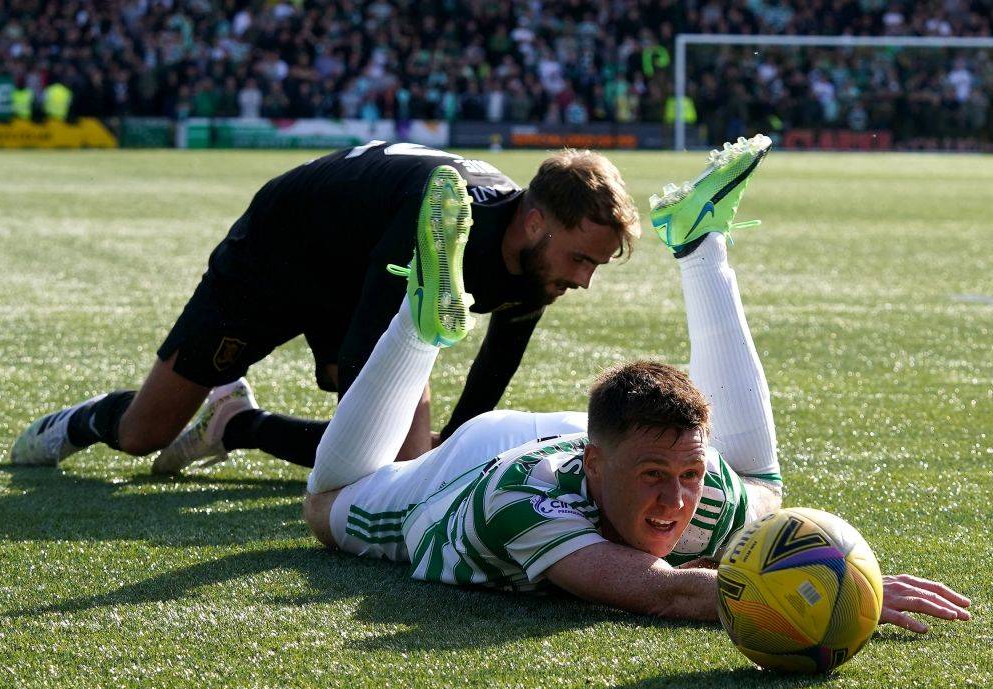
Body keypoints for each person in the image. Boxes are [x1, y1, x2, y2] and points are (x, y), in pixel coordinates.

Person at [301, 137, 971, 633]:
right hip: (474, 464)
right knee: (328, 508)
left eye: (688, 473)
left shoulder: (706, 492)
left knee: (761, 486)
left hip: (601, 437)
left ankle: (700, 239)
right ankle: (419, 323)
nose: (677, 500)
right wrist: (837, 593)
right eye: (656, 476)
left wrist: (845, 569)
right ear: (595, 464)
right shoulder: (525, 500)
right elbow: (665, 592)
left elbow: (708, 517)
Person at [10, 142, 641, 473]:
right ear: (533, 222)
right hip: (278, 253)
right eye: (581, 259)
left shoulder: (534, 258)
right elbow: (370, 352)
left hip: (361, 269)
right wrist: (414, 462)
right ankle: (80, 422)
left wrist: (454, 444)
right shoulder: (444, 219)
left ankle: (233, 422)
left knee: (401, 454)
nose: (584, 280)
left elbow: (501, 352)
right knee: (142, 435)